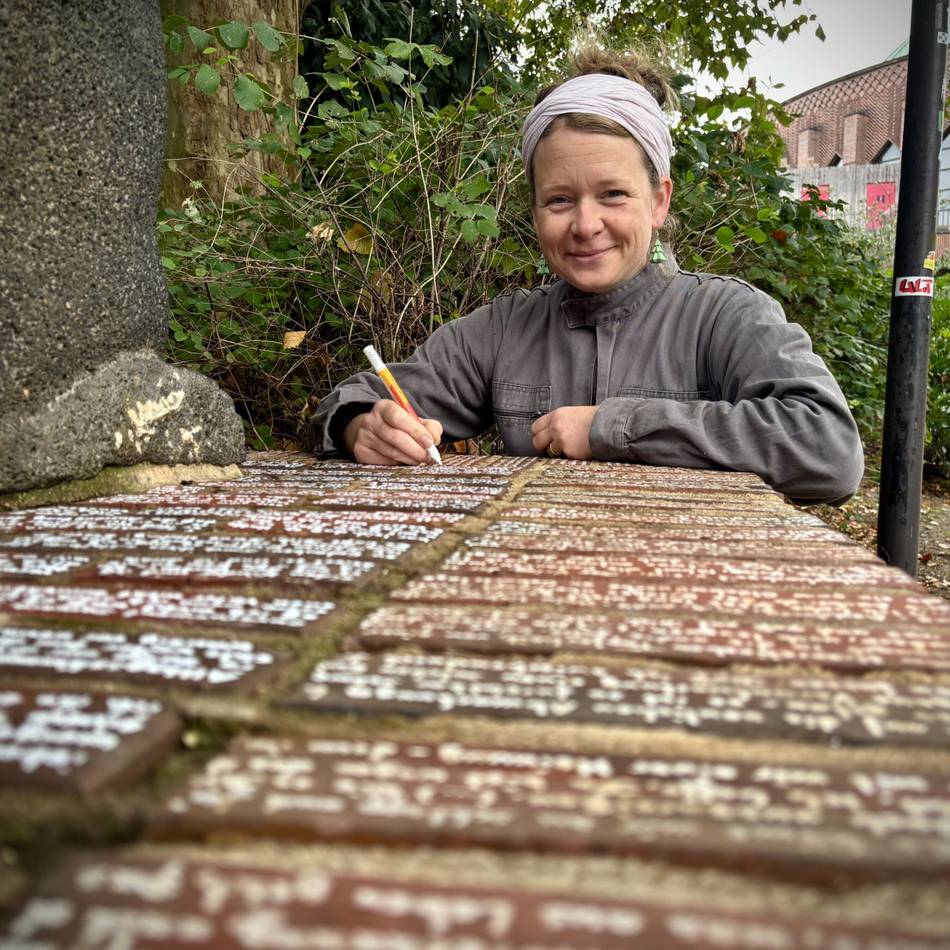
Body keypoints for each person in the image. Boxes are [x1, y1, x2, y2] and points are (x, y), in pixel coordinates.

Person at [309, 46, 864, 505]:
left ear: (659, 201)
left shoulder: (726, 317)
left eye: (613, 194)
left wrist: (615, 427)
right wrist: (365, 427)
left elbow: (828, 451)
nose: (585, 224)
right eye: (558, 200)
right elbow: (355, 397)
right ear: (534, 210)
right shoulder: (503, 330)